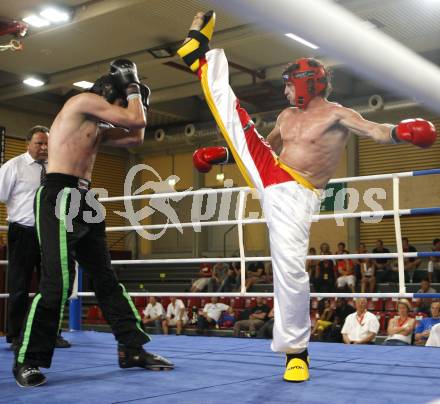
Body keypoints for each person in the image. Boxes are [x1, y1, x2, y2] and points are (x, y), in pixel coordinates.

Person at [178, 11, 437, 382]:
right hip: (271, 175)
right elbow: (264, 147)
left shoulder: (337, 113)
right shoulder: (286, 116)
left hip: (296, 193)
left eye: (288, 85)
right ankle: (200, 55)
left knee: (290, 270)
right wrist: (224, 154)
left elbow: (375, 130)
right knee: (241, 126)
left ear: (305, 83)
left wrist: (401, 132)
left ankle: (296, 354)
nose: (284, 91)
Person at [12, 59, 173, 387]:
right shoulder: (82, 102)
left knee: (106, 279)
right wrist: (132, 90)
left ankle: (132, 349)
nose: (116, 111)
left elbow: (136, 136)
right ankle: (28, 360)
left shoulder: (96, 128)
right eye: (118, 102)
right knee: (56, 283)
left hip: (85, 199)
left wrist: (137, 97)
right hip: (58, 194)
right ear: (107, 95)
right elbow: (133, 117)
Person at [0, 126, 70, 351]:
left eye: (47, 143)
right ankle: (16, 335)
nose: (44, 147)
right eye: (39, 143)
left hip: (50, 232)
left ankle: (50, 334)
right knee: (19, 286)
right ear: (27, 143)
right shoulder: (14, 166)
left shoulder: (57, 168)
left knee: (52, 285)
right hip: (23, 231)